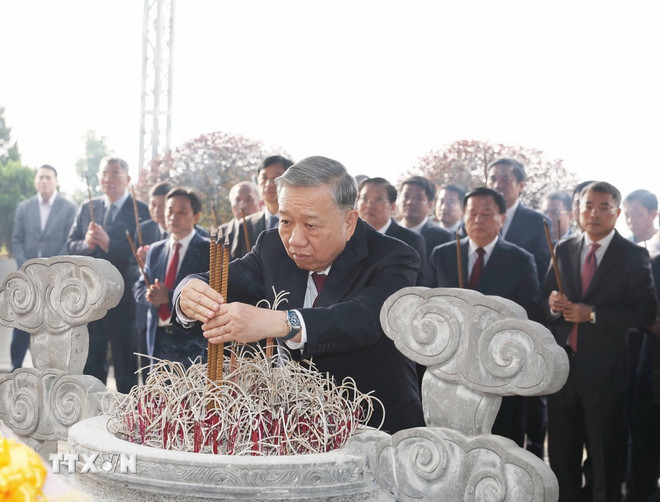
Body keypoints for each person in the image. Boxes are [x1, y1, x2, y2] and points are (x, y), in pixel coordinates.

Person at [173, 156, 424, 434]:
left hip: (375, 427)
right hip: (293, 426)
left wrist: (280, 323)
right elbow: (220, 281)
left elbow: (364, 317)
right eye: (286, 221)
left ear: (349, 221)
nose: (295, 240)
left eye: (311, 225)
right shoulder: (272, 246)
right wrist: (188, 292)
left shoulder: (395, 256)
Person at [544, 181, 657, 502]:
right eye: (588, 206)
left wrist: (592, 314)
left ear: (617, 213)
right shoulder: (563, 249)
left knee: (605, 459)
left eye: (603, 207)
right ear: (577, 210)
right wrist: (552, 305)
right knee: (563, 460)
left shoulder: (633, 255)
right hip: (562, 371)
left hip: (606, 373)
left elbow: (645, 310)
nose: (594, 213)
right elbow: (542, 300)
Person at [425, 187, 540, 446]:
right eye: (472, 213)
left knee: (499, 442)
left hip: (497, 369)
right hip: (449, 366)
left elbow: (530, 314)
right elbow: (428, 306)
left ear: (502, 218)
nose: (478, 220)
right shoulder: (442, 254)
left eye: (487, 214)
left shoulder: (521, 260)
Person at [67, 157, 151, 393]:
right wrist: (87, 244)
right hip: (92, 297)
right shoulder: (87, 207)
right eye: (104, 173)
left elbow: (142, 254)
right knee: (92, 358)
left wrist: (109, 244)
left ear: (128, 179)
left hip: (125, 299)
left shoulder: (140, 210)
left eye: (115, 173)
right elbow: (70, 245)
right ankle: (92, 414)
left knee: (125, 361)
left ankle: (127, 415)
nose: (109, 179)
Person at [133, 187, 209, 368]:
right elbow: (138, 287)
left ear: (196, 217)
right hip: (157, 338)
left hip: (192, 342)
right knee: (158, 394)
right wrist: (150, 295)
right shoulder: (155, 250)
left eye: (181, 212)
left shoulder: (209, 250)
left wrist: (170, 296)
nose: (174, 216)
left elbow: (213, 292)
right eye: (170, 211)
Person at [10, 164, 77, 370]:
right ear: (35, 181)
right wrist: (27, 267)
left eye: (49, 177)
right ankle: (16, 368)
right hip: (28, 278)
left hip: (55, 278)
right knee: (22, 322)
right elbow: (17, 240)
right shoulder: (25, 207)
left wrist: (50, 269)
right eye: (41, 177)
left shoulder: (69, 207)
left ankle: (52, 370)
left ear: (56, 181)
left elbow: (69, 241)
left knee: (53, 325)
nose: (45, 181)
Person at [357, 177, 426, 285]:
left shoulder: (411, 241)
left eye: (378, 200)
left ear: (393, 207)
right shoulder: (347, 236)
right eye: (365, 199)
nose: (370, 205)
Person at [397, 175, 452, 259]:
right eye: (406, 196)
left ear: (430, 205)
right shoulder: (388, 233)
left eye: (418, 198)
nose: (410, 202)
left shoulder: (444, 237)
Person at [242, 155, 294, 236]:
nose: (269, 184)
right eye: (264, 177)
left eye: (277, 177)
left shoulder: (303, 223)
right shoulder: (246, 225)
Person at [218, 181, 262, 260]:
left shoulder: (265, 228)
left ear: (260, 203)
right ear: (231, 205)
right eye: (238, 200)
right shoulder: (220, 233)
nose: (243, 205)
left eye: (248, 200)